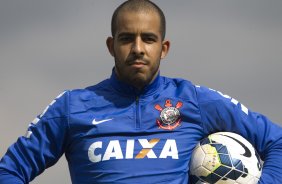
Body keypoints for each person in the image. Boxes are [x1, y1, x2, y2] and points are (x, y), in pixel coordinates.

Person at [0, 0, 282, 183]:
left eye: (148, 39)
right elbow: (10, 171)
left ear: (164, 48)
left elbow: (277, 142)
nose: (137, 48)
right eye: (126, 39)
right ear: (111, 46)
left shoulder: (194, 100)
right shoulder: (72, 107)